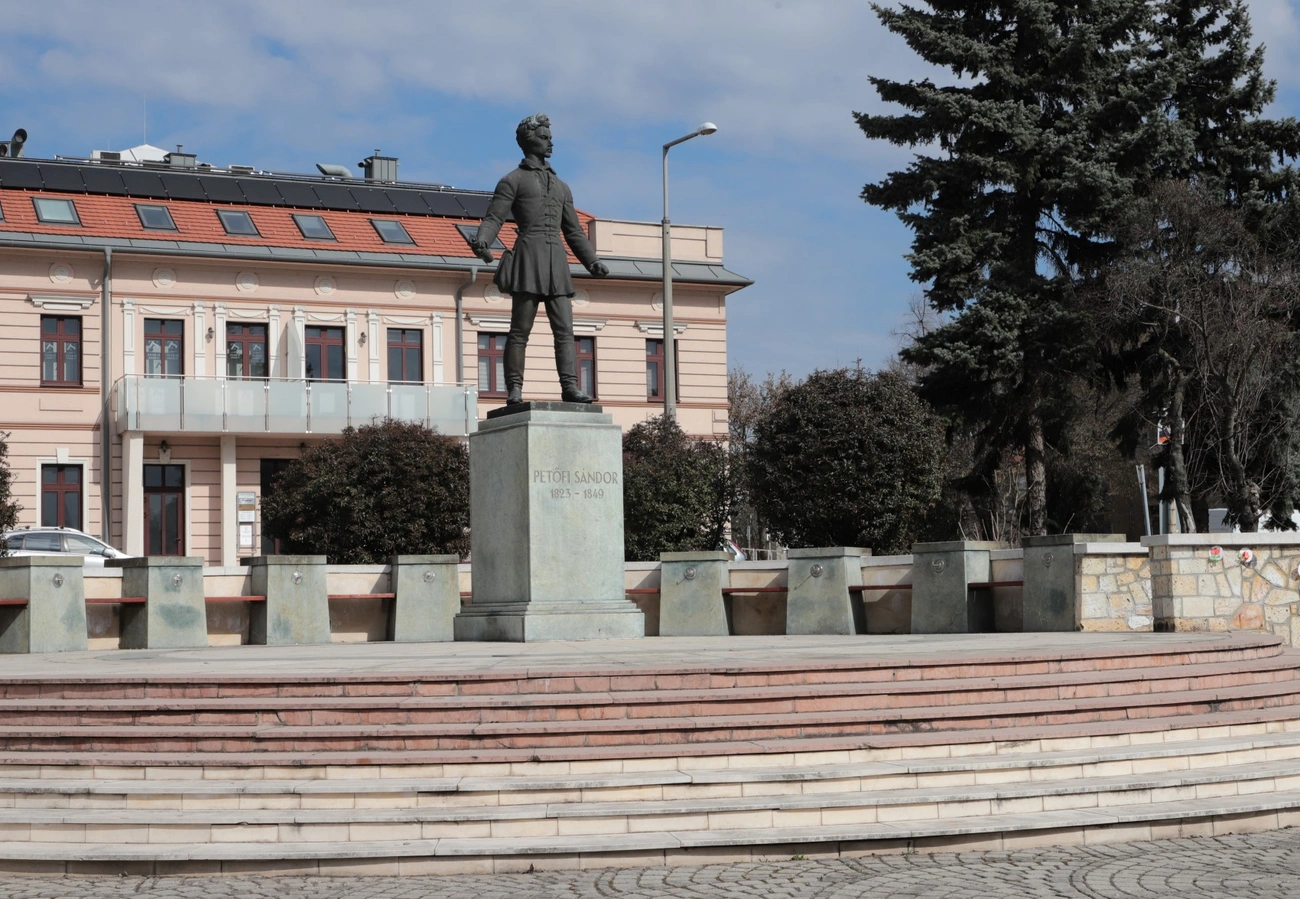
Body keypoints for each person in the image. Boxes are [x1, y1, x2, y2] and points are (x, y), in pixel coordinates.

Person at [470, 113, 609, 405]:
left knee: (565, 331)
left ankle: (570, 387)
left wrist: (591, 260)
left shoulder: (562, 187)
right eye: (544, 138)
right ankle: (515, 389)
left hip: (556, 262)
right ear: (528, 141)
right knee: (520, 330)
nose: (551, 143)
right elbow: (494, 217)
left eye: (550, 137)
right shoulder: (512, 180)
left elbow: (573, 231)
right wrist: (483, 240)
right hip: (528, 259)